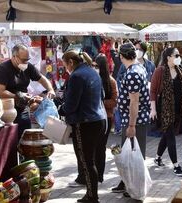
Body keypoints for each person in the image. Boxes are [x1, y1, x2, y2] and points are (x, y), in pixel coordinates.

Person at [60, 50, 106, 203]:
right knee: (90, 159)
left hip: (85, 122)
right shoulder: (93, 72)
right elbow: (103, 95)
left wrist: (61, 109)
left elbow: (71, 105)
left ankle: (92, 196)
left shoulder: (76, 76)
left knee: (86, 161)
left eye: (65, 64)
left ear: (71, 62)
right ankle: (92, 193)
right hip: (98, 119)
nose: (65, 68)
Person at [111, 42, 150, 195]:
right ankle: (126, 182)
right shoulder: (138, 68)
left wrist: (132, 125)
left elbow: (134, 101)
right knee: (126, 153)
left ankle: (134, 187)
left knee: (135, 154)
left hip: (135, 121)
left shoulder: (133, 72)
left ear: (121, 56)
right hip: (132, 119)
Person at [0, 44, 55, 138]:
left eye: (27, 59)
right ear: (14, 57)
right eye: (23, 60)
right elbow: (0, 92)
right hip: (6, 109)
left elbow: (42, 79)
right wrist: (18, 95)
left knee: (26, 137)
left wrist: (50, 89)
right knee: (10, 140)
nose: (26, 62)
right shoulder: (2, 69)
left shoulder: (28, 67)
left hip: (23, 108)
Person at [150, 47, 182, 176]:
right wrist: (153, 109)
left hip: (177, 109)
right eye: (176, 55)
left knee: (167, 135)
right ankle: (176, 165)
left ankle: (157, 158)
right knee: (171, 135)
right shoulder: (160, 71)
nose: (179, 57)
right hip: (164, 109)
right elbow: (153, 91)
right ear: (168, 57)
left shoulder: (180, 71)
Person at [93, 53, 118, 183]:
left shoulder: (110, 81)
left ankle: (99, 175)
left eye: (96, 65)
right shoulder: (93, 79)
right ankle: (96, 174)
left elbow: (114, 101)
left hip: (104, 118)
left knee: (100, 147)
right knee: (98, 147)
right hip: (98, 118)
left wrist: (100, 103)